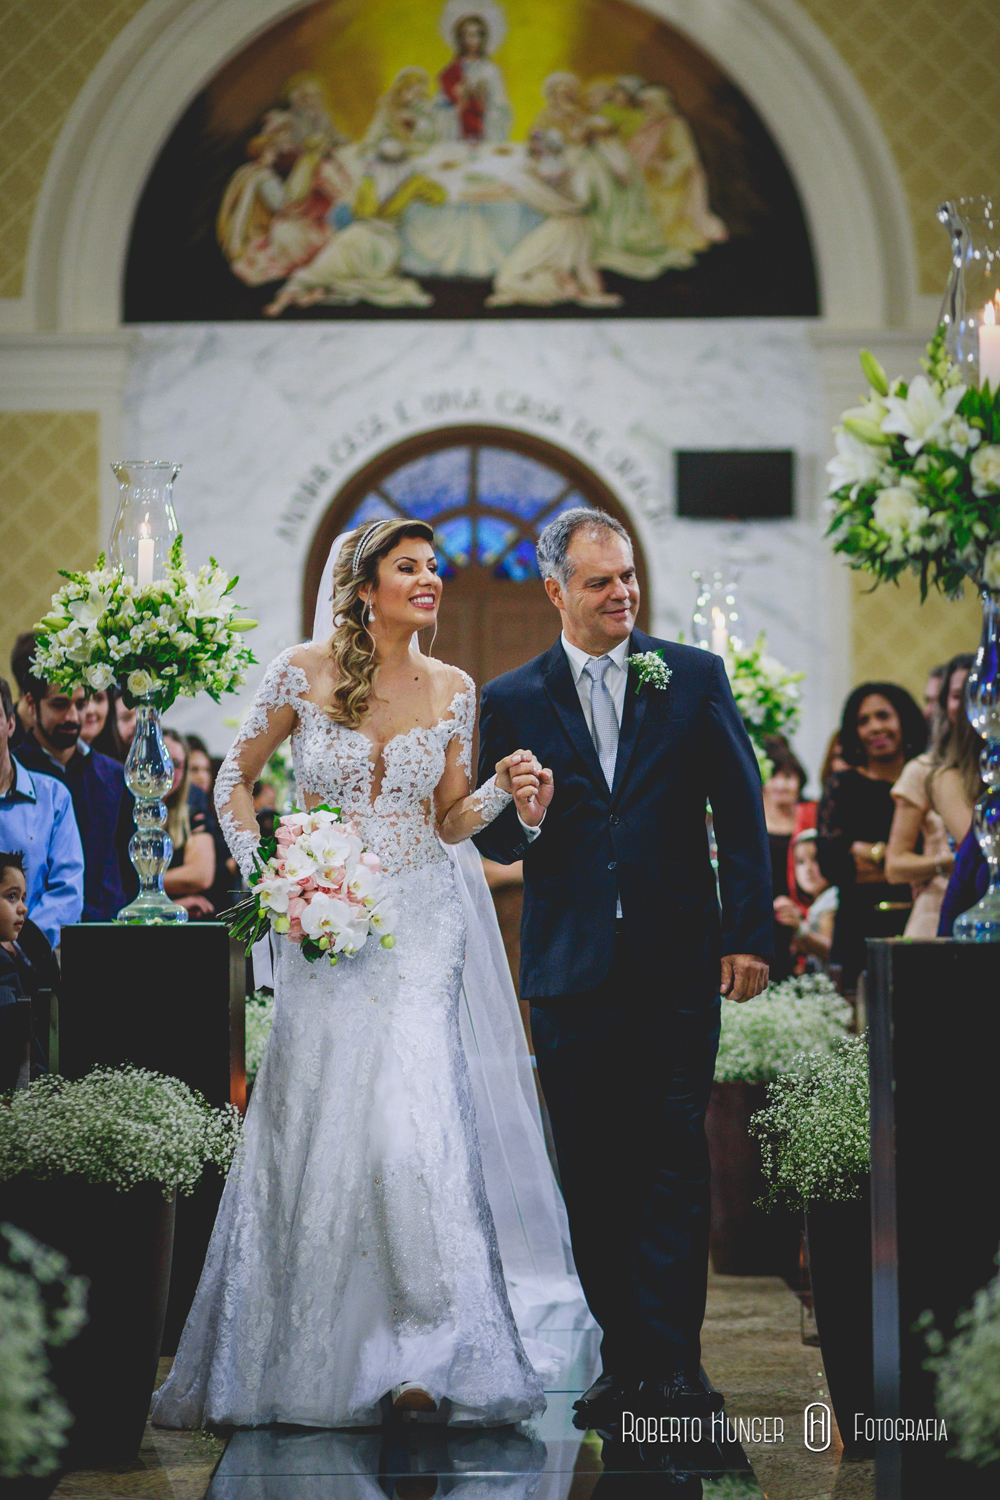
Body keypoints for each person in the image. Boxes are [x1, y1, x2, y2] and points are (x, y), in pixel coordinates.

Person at [152, 517, 576, 1431]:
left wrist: (509, 795)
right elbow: (234, 781)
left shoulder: (454, 687)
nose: (430, 580)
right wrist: (273, 874)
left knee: (409, 1117)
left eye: (433, 567)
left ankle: (423, 1350)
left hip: (423, 922)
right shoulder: (300, 672)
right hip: (328, 919)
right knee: (325, 1113)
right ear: (364, 586)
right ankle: (319, 1346)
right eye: (408, 567)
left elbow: (451, 820)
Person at [474, 506, 772, 1426]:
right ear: (555, 590)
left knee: (673, 1159)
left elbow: (741, 810)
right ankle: (622, 1359)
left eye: (629, 576)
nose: (622, 594)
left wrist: (748, 934)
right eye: (600, 581)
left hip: (677, 963)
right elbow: (491, 836)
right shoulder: (513, 698)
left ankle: (674, 1365)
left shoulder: (692, 676)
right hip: (570, 971)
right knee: (594, 1172)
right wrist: (523, 813)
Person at [817, 682, 926, 990]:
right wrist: (906, 864)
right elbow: (832, 865)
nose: (875, 727)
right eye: (863, 721)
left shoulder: (927, 781)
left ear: (903, 719)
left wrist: (866, 851)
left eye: (883, 716)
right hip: (856, 933)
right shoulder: (842, 785)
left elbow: (943, 859)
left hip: (921, 923)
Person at [15, 673, 128, 924]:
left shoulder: (113, 775)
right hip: (31, 928)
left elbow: (127, 865)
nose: (73, 717)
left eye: (80, 704)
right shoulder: (14, 772)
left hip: (105, 926)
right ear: (32, 704)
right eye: (59, 704)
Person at [886, 653, 975, 937]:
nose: (967, 704)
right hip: (936, 913)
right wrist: (949, 863)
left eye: (974, 692)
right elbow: (895, 866)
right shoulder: (927, 771)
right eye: (957, 696)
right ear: (945, 704)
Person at [0, 677, 83, 949]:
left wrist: (17, 946)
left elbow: (67, 891)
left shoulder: (53, 797)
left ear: (11, 724)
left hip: (33, 960)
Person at [760, 737, 808, 982]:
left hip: (803, 915)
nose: (781, 784)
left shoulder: (810, 819)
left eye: (788, 776)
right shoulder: (751, 822)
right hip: (762, 917)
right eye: (774, 776)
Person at [161, 729, 216, 918]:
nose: (167, 770)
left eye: (176, 764)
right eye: (161, 759)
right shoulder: (123, 802)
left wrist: (139, 884)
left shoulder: (192, 804)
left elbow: (200, 875)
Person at [436, 8, 512, 143]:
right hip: (457, 136)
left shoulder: (491, 71)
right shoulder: (451, 71)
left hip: (484, 135)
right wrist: (458, 101)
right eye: (466, 35)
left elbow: (502, 109)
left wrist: (485, 101)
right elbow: (438, 109)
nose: (471, 40)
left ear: (483, 38)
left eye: (476, 35)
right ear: (460, 38)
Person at [773, 829, 837, 969]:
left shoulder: (832, 899)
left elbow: (831, 951)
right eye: (800, 862)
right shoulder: (818, 902)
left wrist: (799, 928)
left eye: (815, 859)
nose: (808, 869)